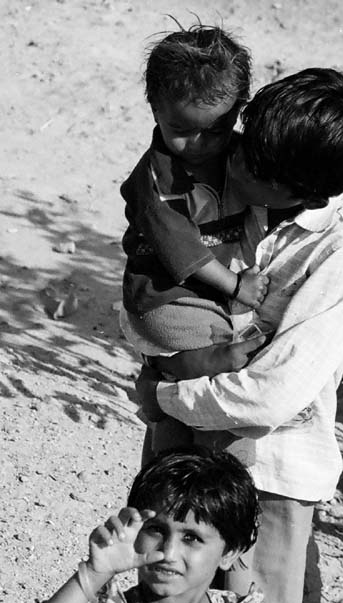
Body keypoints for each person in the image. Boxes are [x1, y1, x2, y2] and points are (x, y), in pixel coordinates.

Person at [134, 67, 343, 603]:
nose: (237, 163)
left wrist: (165, 395)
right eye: (245, 145)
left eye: (255, 169)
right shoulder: (239, 167)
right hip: (187, 439)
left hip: (267, 471)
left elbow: (272, 394)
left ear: (305, 194)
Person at [11, 448, 296, 603]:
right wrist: (94, 573)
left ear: (229, 553)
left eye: (191, 538)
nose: (168, 552)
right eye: (157, 530)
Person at [120, 22, 268, 451]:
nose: (200, 144)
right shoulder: (155, 183)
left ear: (237, 112)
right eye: (182, 130)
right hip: (168, 299)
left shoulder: (235, 154)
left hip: (199, 298)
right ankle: (184, 438)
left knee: (181, 393)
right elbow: (184, 252)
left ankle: (165, 412)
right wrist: (239, 287)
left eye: (215, 130)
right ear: (154, 110)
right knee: (213, 380)